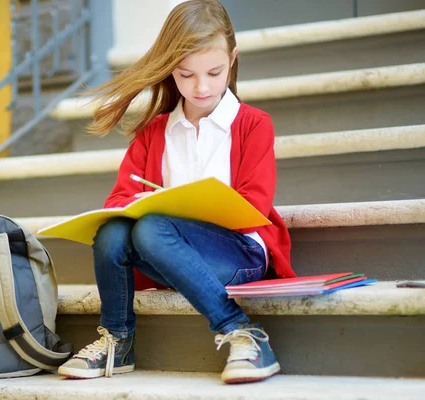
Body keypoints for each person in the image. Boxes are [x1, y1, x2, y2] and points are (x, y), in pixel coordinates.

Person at [57, 0, 295, 384]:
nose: (201, 87)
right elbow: (119, 200)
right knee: (114, 232)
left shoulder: (253, 124)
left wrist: (178, 216)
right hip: (171, 255)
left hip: (238, 253)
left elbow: (255, 206)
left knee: (152, 228)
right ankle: (118, 340)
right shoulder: (154, 132)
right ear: (171, 71)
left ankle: (242, 331)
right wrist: (148, 207)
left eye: (214, 72)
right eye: (186, 75)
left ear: (232, 60)